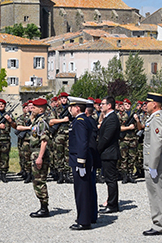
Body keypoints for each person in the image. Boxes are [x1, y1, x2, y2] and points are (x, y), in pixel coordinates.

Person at [141, 93, 162, 236]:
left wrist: (152, 165)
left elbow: (157, 143)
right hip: (159, 163)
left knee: (157, 195)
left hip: (156, 164)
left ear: (155, 104)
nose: (145, 105)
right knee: (160, 194)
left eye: (148, 103)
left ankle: (159, 225)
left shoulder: (157, 119)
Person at [68, 97, 98, 230]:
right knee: (87, 189)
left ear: (77, 108)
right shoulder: (83, 120)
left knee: (82, 192)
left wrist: (81, 162)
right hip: (84, 159)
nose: (70, 109)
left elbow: (82, 142)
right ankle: (89, 216)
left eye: (72, 107)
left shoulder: (79, 121)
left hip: (80, 160)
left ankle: (84, 221)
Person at [28, 98, 52, 217]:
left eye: (35, 107)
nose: (32, 109)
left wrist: (40, 157)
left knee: (39, 181)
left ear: (41, 109)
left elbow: (44, 141)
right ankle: (42, 206)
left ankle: (44, 208)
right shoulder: (37, 120)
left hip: (39, 153)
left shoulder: (42, 122)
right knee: (36, 180)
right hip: (35, 152)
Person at [97, 96, 120, 214]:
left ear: (109, 105)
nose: (101, 106)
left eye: (103, 104)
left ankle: (112, 204)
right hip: (107, 153)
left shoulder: (112, 119)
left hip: (109, 153)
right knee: (108, 179)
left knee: (111, 180)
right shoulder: (108, 118)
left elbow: (106, 138)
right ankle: (111, 202)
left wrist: (97, 149)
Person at [49, 92, 72, 184]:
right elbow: (51, 121)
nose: (64, 100)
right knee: (59, 155)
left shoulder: (70, 108)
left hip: (69, 134)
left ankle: (67, 174)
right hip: (59, 135)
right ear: (59, 100)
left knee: (68, 154)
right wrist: (62, 120)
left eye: (65, 98)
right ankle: (60, 174)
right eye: (62, 98)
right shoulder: (55, 110)